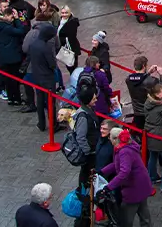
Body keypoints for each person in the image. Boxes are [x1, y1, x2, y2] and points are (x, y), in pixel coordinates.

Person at [100, 128, 155, 226]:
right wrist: (102, 171)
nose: (109, 139)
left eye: (110, 137)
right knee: (144, 214)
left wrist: (109, 187)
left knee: (126, 219)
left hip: (133, 189)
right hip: (142, 185)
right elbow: (117, 164)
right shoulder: (126, 147)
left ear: (116, 139)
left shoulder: (124, 151)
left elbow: (124, 172)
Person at [72, 88, 102, 227]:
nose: (96, 99)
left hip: (92, 153)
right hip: (89, 156)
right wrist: (89, 152)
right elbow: (81, 137)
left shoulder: (88, 111)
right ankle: (85, 211)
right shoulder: (83, 116)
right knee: (86, 179)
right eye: (94, 98)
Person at [0, 2, 27, 106]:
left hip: (3, 55)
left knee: (8, 78)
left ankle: (11, 98)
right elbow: (20, 31)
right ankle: (17, 99)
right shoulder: (7, 27)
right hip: (13, 56)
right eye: (11, 17)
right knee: (15, 78)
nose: (12, 19)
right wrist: (17, 19)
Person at [20, 7, 56, 113]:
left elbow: (25, 48)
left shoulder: (32, 33)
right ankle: (48, 107)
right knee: (49, 93)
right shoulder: (52, 31)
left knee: (31, 85)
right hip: (49, 68)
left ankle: (32, 104)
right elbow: (57, 46)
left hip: (34, 66)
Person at [27, 23, 58, 132]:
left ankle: (41, 123)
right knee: (50, 103)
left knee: (40, 101)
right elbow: (52, 64)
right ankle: (53, 125)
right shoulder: (46, 47)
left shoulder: (33, 44)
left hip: (37, 76)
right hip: (47, 78)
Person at [127, 56, 162, 136]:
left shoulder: (128, 80)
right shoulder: (151, 81)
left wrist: (148, 73)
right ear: (144, 66)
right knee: (151, 136)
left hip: (137, 113)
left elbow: (139, 79)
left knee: (141, 135)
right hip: (149, 113)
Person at [56, 3, 81, 70]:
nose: (64, 15)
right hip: (64, 46)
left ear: (69, 13)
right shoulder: (60, 21)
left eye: (66, 13)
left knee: (72, 67)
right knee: (69, 66)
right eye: (62, 13)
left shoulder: (72, 22)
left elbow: (71, 36)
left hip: (71, 48)